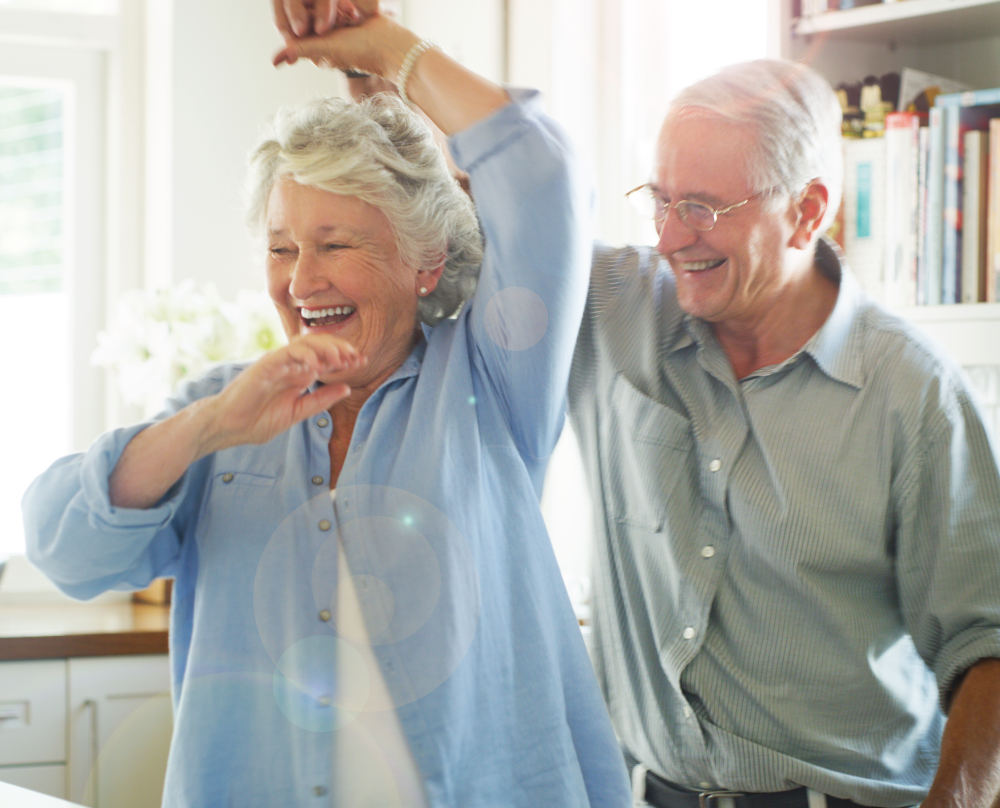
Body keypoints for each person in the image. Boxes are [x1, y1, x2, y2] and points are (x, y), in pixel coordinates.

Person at [22, 12, 631, 808]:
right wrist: (207, 428)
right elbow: (62, 545)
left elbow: (541, 179)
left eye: (336, 243)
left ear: (425, 262)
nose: (301, 281)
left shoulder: (487, 380)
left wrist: (385, 47)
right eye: (281, 248)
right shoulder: (223, 408)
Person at [568, 59, 1000, 808]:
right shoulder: (616, 309)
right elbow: (472, 216)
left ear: (807, 212)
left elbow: (988, 645)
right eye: (661, 201)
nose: (671, 238)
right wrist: (374, 60)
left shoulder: (912, 393)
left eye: (701, 208)